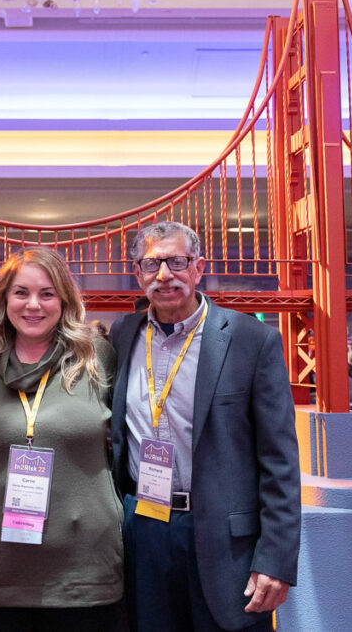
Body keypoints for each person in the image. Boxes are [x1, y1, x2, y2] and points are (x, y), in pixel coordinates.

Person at [109, 221, 300, 632]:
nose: (164, 275)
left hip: (222, 540)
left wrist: (277, 560)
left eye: (176, 262)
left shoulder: (251, 340)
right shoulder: (122, 335)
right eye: (151, 265)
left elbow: (279, 461)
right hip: (142, 528)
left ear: (198, 267)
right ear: (137, 273)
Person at [0, 247, 122, 631]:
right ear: (4, 299)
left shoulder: (97, 359)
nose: (34, 305)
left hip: (86, 576)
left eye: (47, 293)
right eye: (21, 292)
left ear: (64, 300)